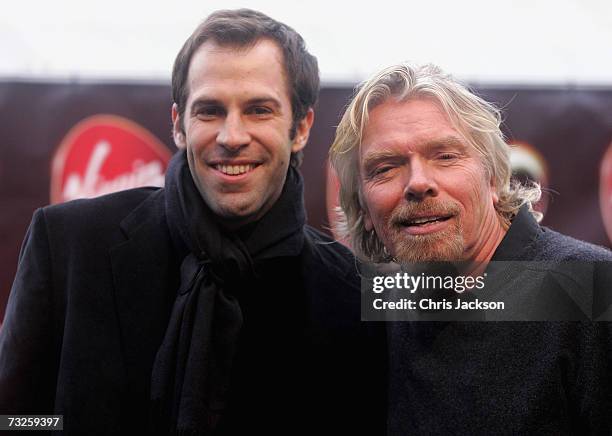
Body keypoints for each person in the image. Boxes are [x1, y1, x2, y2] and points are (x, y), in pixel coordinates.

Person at [0, 9, 384, 435]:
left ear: (301, 127)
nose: (232, 137)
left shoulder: (350, 292)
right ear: (178, 124)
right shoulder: (69, 246)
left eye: (259, 110)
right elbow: (12, 417)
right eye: (210, 111)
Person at [330, 63, 612, 434]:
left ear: (494, 177)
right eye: (385, 167)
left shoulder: (593, 291)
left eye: (445, 156)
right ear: (363, 208)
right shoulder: (384, 311)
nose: (418, 183)